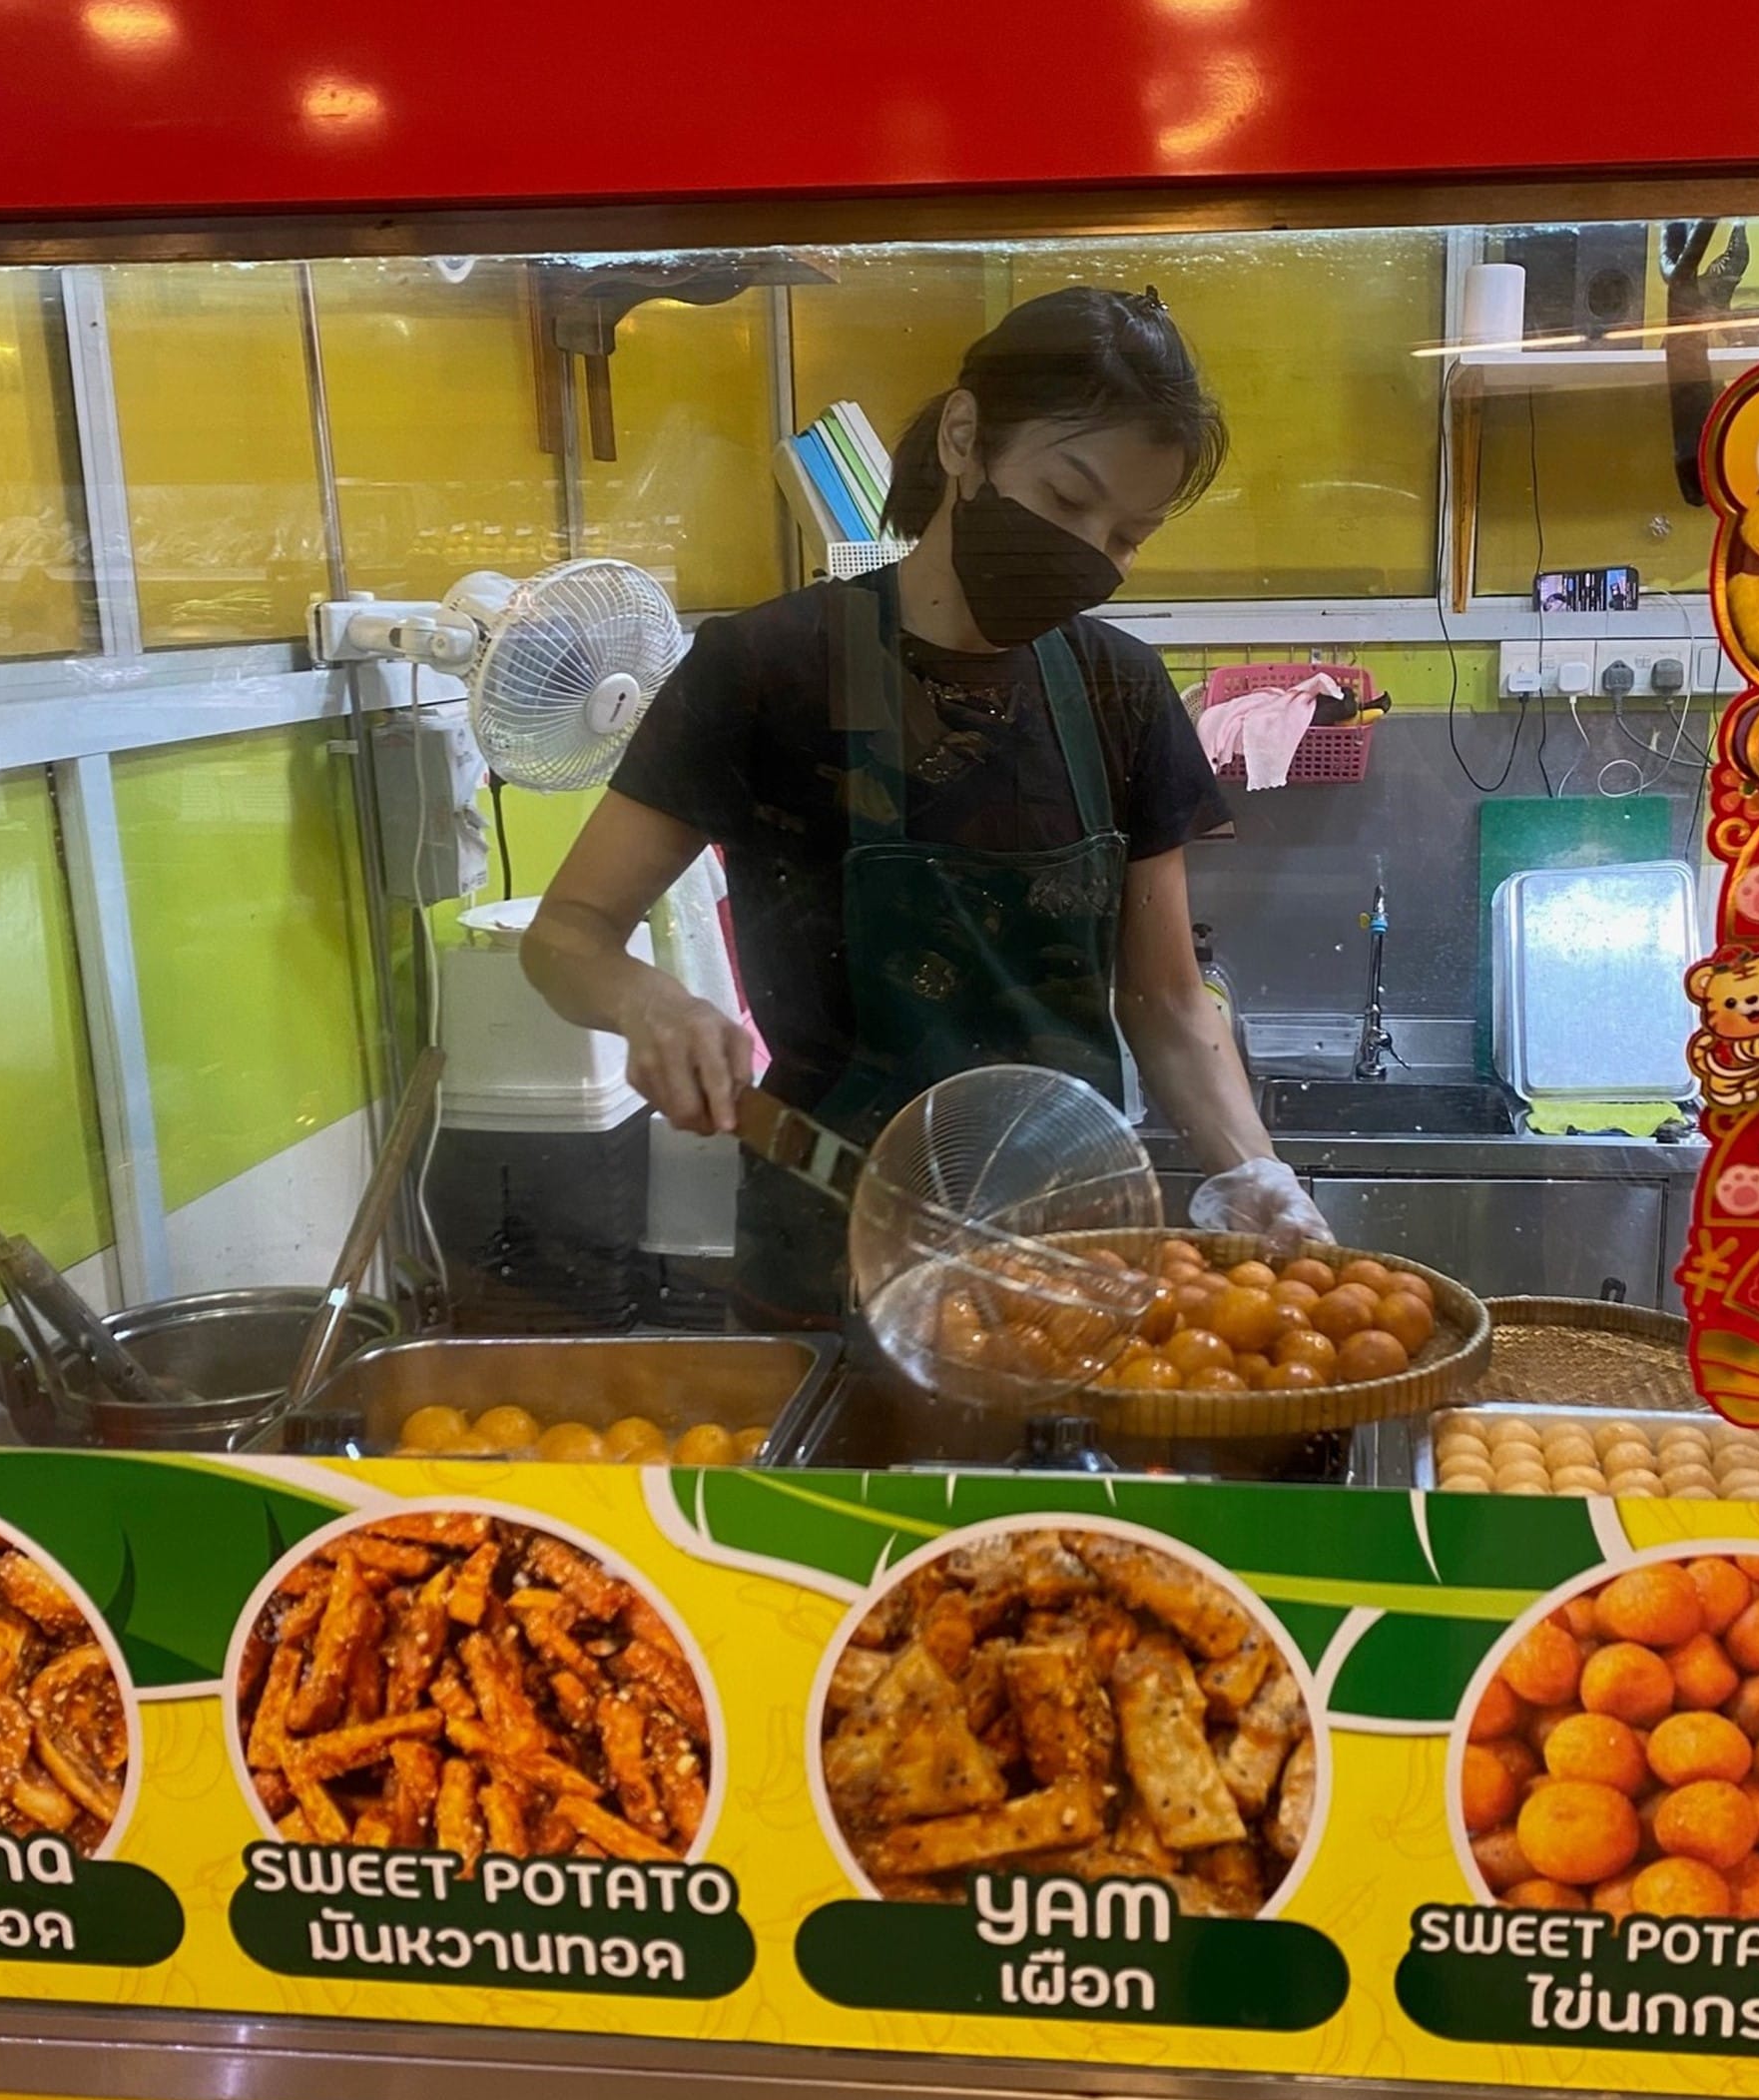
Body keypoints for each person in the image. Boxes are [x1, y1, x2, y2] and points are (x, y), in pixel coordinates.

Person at [522, 284, 1331, 1328]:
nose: (1091, 555)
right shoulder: (767, 668)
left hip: (1065, 1275)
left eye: (1128, 535)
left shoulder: (1120, 692)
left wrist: (1254, 1171)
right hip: (830, 1268)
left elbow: (1167, 1003)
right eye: (1067, 500)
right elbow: (568, 935)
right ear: (964, 437)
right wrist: (652, 1004)